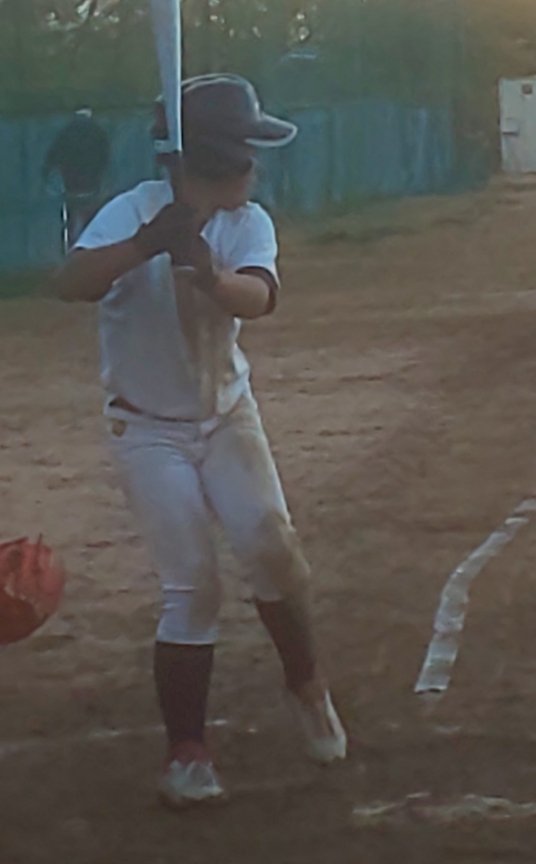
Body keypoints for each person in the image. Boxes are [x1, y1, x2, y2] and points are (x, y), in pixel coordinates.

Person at [54, 74, 346, 808]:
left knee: (272, 549)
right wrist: (148, 244)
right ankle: (187, 754)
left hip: (226, 415)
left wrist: (207, 272)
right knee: (193, 582)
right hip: (146, 426)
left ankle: (306, 684)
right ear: (215, 156)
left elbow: (261, 297)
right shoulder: (133, 212)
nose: (257, 166)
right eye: (247, 151)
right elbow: (73, 281)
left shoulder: (247, 222)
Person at [42, 108, 110, 248]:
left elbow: (54, 154)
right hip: (88, 184)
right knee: (89, 214)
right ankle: (88, 245)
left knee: (73, 216)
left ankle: (74, 245)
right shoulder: (98, 133)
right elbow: (105, 156)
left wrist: (48, 168)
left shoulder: (67, 132)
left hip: (74, 184)